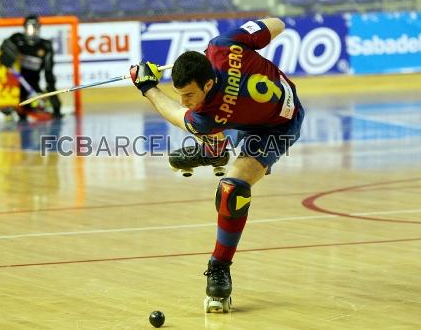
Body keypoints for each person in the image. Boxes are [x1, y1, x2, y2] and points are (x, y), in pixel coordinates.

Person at [129, 17, 304, 313]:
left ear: (208, 82)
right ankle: (217, 149)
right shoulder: (224, 45)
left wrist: (148, 88)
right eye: (180, 94)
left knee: (231, 190)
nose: (184, 100)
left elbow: (176, 115)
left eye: (188, 95)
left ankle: (219, 264)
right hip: (256, 112)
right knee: (212, 119)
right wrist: (263, 33)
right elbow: (277, 24)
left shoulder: (206, 117)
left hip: (278, 128)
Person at [0, 14, 62, 120]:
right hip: (16, 83)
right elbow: (2, 49)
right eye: (29, 28)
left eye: (35, 27)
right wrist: (5, 53)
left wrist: (55, 103)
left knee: (41, 105)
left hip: (33, 84)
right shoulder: (17, 39)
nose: (32, 31)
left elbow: (49, 74)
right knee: (16, 109)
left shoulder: (45, 46)